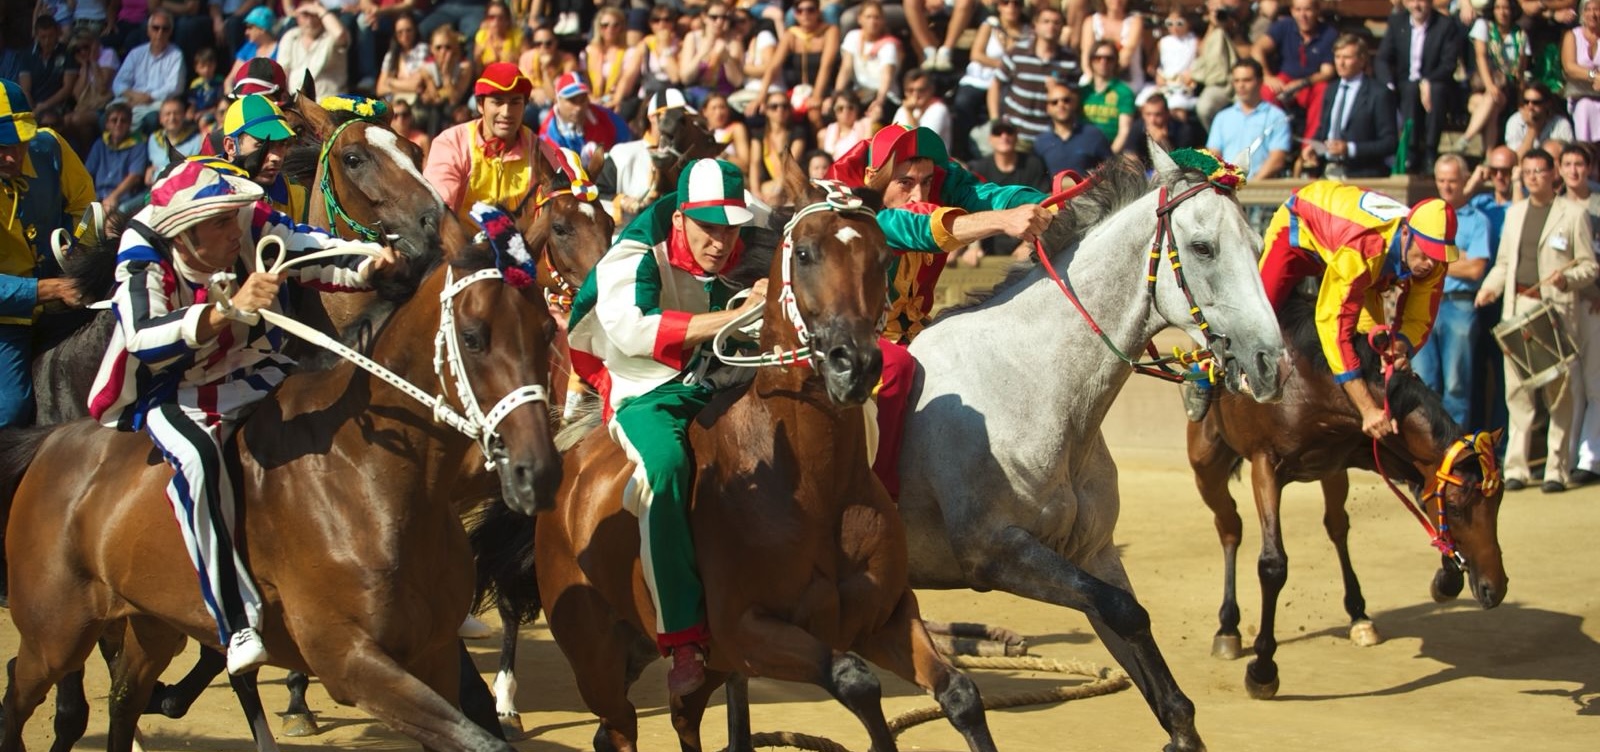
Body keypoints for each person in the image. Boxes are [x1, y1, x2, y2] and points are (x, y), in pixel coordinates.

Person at [87, 160, 397, 676]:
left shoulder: (250, 223)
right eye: (220, 224)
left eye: (235, 218)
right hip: (173, 388)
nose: (237, 229)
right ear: (185, 237)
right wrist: (224, 310)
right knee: (197, 459)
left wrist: (370, 266)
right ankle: (235, 622)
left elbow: (313, 251)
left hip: (258, 367)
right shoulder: (143, 254)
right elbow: (142, 336)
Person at [564, 158, 768, 698]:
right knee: (668, 466)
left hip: (707, 376)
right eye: (708, 227)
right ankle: (680, 637)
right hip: (639, 389)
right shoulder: (629, 257)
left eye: (730, 228)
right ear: (679, 220)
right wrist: (737, 314)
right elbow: (633, 333)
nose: (721, 241)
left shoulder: (738, 234)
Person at [825, 124, 1052, 497]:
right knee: (895, 366)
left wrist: (1047, 202)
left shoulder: (932, 190)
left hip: (916, 333)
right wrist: (1004, 222)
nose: (919, 193)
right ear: (873, 177)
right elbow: (917, 227)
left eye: (927, 182)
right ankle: (875, 496)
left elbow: (986, 194)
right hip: (852, 338)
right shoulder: (854, 210)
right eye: (905, 182)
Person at [1187, 180, 1459, 434]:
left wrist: (1400, 348)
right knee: (1256, 316)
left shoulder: (1432, 261)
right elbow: (1332, 325)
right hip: (1297, 231)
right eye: (1423, 253)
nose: (1429, 264)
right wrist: (1366, 408)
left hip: (1354, 254)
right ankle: (1201, 369)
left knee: (1375, 353)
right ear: (1405, 233)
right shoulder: (1363, 249)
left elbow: (1419, 317)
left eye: (1437, 257)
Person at [1475, 148, 1598, 492]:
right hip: (1517, 310)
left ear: (1552, 174)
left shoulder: (1573, 214)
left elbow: (1589, 266)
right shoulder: (1514, 214)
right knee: (1517, 392)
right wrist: (1489, 289)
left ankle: (1555, 470)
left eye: (1538, 171)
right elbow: (1502, 264)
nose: (1532, 177)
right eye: (1526, 172)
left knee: (1560, 395)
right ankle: (1515, 467)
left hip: (1555, 311)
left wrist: (1568, 280)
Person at [0, 78, 93, 428]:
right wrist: (50, 289)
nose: (12, 154)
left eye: (19, 141)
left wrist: (82, 259)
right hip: (6, 320)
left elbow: (86, 205)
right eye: (1, 145)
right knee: (10, 410)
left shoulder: (49, 146)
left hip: (68, 287)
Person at [1413, 154, 1493, 428]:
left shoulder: (1477, 220)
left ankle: (1455, 453)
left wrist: (1433, 259)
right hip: (1423, 303)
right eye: (1442, 180)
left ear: (1465, 181)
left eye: (1453, 181)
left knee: (1458, 384)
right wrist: (1457, 258)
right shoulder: (1424, 217)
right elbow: (1413, 260)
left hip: (1459, 305)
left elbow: (1475, 271)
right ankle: (1429, 453)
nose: (1446, 187)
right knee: (1424, 382)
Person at [427, 63, 541, 223]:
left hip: (521, 246)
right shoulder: (451, 144)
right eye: (497, 102)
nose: (506, 112)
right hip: (462, 245)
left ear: (524, 106)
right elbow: (439, 213)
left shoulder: (540, 150)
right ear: (480, 105)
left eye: (515, 102)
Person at [1376, 0, 1465, 174]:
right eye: (1412, 0)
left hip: (1436, 81)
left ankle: (1430, 151)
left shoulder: (1445, 25)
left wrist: (1427, 80)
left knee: (1436, 91)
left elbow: (1448, 63)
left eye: (1421, 1)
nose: (1416, 5)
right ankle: (1411, 149)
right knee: (1409, 90)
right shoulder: (1397, 22)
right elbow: (1383, 58)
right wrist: (1388, 83)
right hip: (1404, 83)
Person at [1558, 144, 1600, 483]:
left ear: (1589, 168)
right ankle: (1564, 459)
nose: (1574, 171)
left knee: (1594, 383)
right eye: (1567, 164)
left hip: (1594, 303)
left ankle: (1590, 457)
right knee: (1567, 387)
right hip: (1561, 305)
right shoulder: (1553, 206)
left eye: (1579, 164)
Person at [1302, 34, 1396, 180]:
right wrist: (1313, 146)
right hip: (1329, 171)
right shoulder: (1331, 90)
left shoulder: (1378, 93)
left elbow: (1389, 142)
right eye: (1337, 57)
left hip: (1362, 174)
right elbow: (1324, 129)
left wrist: (1350, 149)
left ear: (1362, 60)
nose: (1341, 63)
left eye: (1347, 57)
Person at [599, 88, 690, 227]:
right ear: (652, 117)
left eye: (683, 118)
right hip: (628, 238)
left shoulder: (688, 159)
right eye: (672, 116)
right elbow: (597, 193)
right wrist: (622, 201)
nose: (678, 122)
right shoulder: (623, 153)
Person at [1253, 0, 1336, 145]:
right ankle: (1275, 142)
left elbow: (1327, 72)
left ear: (1317, 11)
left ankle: (1308, 148)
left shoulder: (1328, 33)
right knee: (1267, 91)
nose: (1302, 15)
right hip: (1285, 79)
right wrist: (1267, 76)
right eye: (1298, 10)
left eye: (1307, 10)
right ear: (1292, 11)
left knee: (1323, 92)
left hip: (1312, 82)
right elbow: (1257, 49)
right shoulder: (1285, 26)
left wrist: (1302, 83)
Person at [993, 4, 1078, 143]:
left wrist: (1057, 91)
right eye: (1046, 22)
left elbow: (1074, 98)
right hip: (1016, 135)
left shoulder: (1070, 60)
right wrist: (995, 119)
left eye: (1056, 22)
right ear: (1035, 25)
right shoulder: (1017, 52)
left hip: (1049, 137)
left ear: (1062, 27)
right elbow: (996, 84)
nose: (1051, 26)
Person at [966, 119, 1050, 262]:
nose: (1004, 136)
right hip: (988, 251)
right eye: (998, 132)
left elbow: (1045, 205)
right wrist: (972, 246)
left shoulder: (1033, 164)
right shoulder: (980, 168)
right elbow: (970, 209)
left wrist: (1029, 244)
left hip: (1027, 246)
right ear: (990, 139)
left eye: (1009, 132)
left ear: (1016, 136)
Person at [1460, 0, 1528, 152]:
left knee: (1492, 100)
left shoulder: (1520, 34)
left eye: (1506, 8)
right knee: (1492, 104)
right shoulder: (1484, 26)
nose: (1502, 12)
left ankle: (1467, 138)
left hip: (1508, 87)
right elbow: (1480, 57)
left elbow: (1521, 71)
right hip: (1483, 85)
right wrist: (1490, 86)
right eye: (1498, 8)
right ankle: (1488, 155)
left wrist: (1521, 100)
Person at [1206, 59, 1290, 180]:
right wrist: (1226, 182)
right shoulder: (1222, 117)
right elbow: (1214, 155)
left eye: (1247, 80)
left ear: (1260, 81)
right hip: (1226, 189)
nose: (1241, 85)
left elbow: (1277, 158)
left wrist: (1252, 185)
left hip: (1261, 190)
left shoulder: (1277, 116)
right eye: (1237, 80)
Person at [112, 10, 186, 132]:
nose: (160, 32)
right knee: (107, 117)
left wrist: (149, 97)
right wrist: (135, 96)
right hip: (131, 100)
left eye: (165, 29)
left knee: (151, 119)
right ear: (148, 31)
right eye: (155, 28)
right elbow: (118, 83)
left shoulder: (176, 55)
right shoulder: (136, 53)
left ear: (170, 32)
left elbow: (176, 87)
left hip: (156, 103)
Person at [537, 71, 633, 156]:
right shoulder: (548, 134)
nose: (578, 107)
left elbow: (628, 143)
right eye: (572, 100)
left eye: (582, 99)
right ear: (557, 100)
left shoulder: (607, 117)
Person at [1033, 78, 1113, 177]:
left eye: (1066, 100)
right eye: (1054, 102)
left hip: (1089, 192)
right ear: (1047, 108)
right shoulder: (1041, 142)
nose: (1061, 105)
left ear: (1074, 103)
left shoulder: (1094, 135)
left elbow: (1112, 171)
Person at [278, 0, 351, 101]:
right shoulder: (290, 37)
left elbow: (339, 34)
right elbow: (283, 73)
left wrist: (320, 10)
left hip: (329, 104)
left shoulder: (331, 37)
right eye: (305, 15)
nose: (310, 21)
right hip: (298, 105)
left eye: (314, 15)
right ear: (298, 17)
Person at [85, 103, 148, 213]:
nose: (118, 124)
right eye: (114, 120)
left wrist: (113, 196)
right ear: (107, 124)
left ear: (129, 124)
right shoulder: (100, 144)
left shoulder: (138, 145)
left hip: (123, 197)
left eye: (123, 121)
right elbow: (87, 173)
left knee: (110, 224)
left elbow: (134, 176)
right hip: (98, 195)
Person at [1122, 93, 1204, 170]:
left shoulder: (1183, 130)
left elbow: (1183, 164)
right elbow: (1129, 155)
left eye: (1157, 115)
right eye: (1148, 114)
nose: (1152, 120)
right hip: (1145, 172)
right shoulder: (1138, 126)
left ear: (1167, 113)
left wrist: (1163, 142)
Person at [1560, 0, 1600, 141]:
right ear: (1582, 13)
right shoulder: (1572, 36)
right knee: (1585, 107)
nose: (1593, 14)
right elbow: (1570, 68)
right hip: (1580, 96)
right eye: (1588, 10)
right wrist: (1594, 76)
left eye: (1597, 10)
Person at [1506, 82, 1575, 158]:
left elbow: (1567, 156)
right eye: (1526, 102)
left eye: (1536, 103)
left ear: (1547, 104)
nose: (1530, 107)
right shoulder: (1515, 122)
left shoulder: (1561, 124)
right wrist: (1532, 129)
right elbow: (1516, 160)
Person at [147, 96, 203, 187]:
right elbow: (155, 164)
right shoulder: (153, 139)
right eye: (167, 114)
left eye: (176, 113)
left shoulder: (197, 140)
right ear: (160, 119)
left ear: (184, 116)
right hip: (156, 187)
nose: (172, 118)